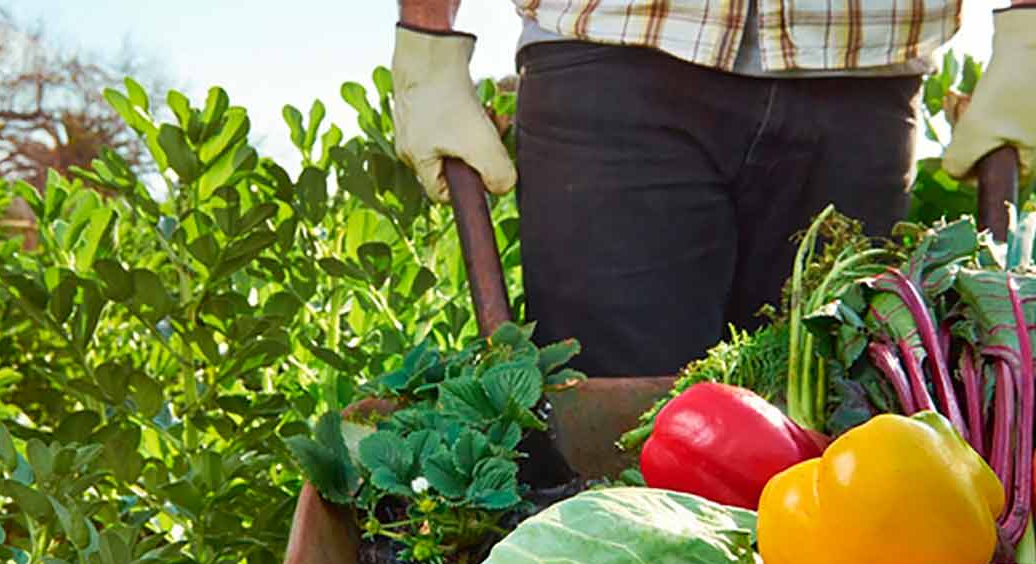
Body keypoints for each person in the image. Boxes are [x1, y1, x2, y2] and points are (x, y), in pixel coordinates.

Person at [390, 0, 1036, 379]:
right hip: (612, 52)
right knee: (621, 436)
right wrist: (427, 42)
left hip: (864, 64)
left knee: (836, 420)